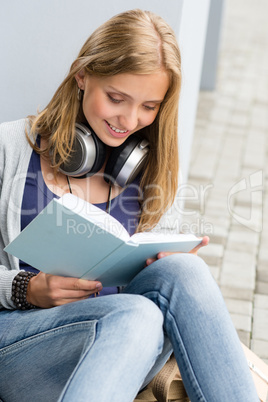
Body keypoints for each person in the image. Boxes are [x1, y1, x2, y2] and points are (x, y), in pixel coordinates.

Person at [0, 9, 259, 402]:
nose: (129, 120)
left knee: (182, 271)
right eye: (116, 98)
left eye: (149, 107)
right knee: (134, 316)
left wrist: (157, 266)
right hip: (21, 351)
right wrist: (25, 289)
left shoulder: (148, 170)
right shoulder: (9, 148)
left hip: (121, 356)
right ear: (82, 76)